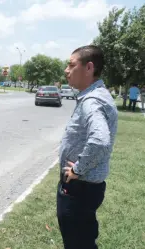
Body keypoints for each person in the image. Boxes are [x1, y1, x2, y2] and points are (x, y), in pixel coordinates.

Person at [58, 45, 118, 249]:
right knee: (82, 241)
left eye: (71, 64)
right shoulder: (96, 95)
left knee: (77, 243)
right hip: (85, 188)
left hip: (79, 188)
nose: (66, 70)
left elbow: (100, 140)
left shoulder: (92, 101)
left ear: (89, 67)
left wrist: (77, 169)